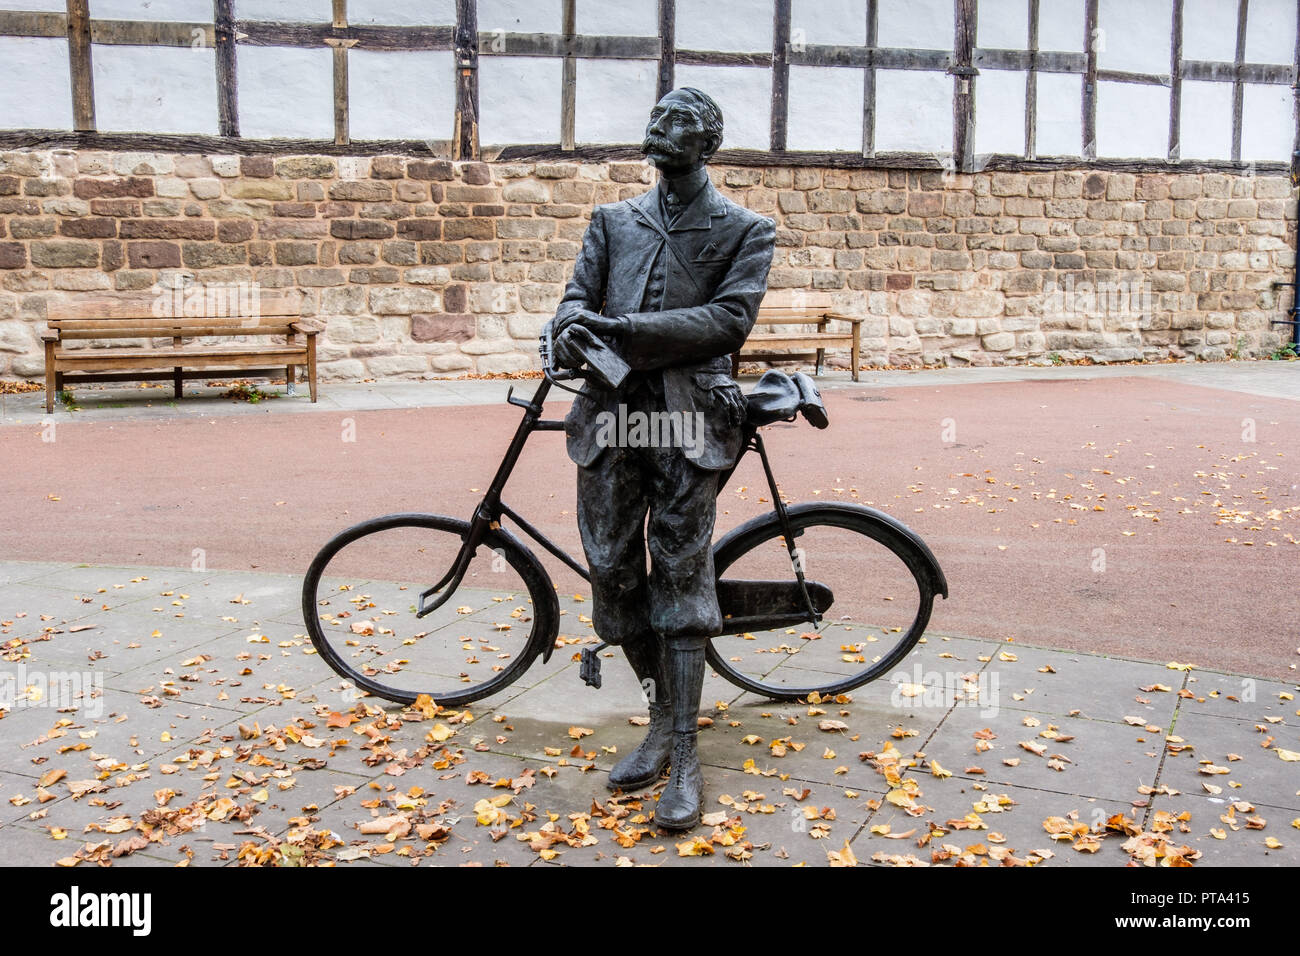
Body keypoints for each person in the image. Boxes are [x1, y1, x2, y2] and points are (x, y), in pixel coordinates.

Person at [546, 87, 776, 829]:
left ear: (708, 142)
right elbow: (574, 300)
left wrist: (625, 329)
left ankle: (682, 751)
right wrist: (569, 330)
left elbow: (728, 320)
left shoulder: (744, 228)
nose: (659, 128)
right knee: (612, 574)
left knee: (680, 573)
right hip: (610, 419)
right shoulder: (612, 220)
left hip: (687, 420)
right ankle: (658, 716)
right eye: (655, 117)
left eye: (679, 122)